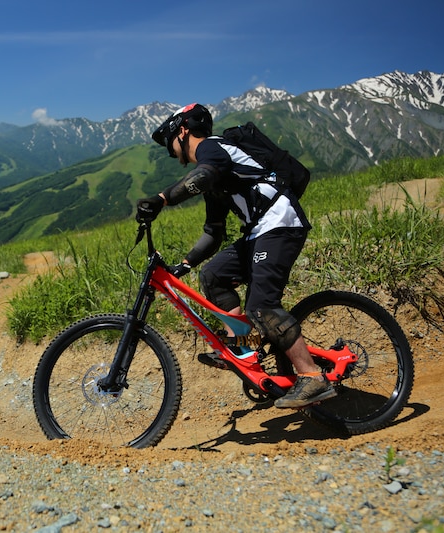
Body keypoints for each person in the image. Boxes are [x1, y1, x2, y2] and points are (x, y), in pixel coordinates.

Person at [135, 103, 336, 409]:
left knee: (262, 305)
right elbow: (213, 233)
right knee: (213, 276)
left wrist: (162, 199)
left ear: (183, 131)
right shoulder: (214, 177)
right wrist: (186, 265)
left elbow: (200, 177)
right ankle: (243, 349)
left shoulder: (213, 150)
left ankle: (312, 377)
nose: (171, 151)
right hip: (259, 231)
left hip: (280, 223)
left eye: (170, 143)